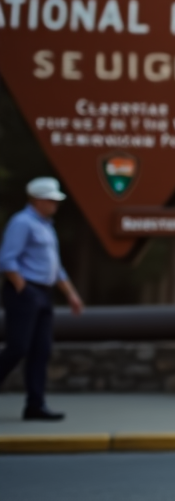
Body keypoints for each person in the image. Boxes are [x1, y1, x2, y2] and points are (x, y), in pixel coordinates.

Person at [0, 177, 85, 421]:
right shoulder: (22, 222)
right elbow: (7, 259)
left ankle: (35, 405)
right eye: (50, 200)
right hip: (26, 292)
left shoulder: (47, 226)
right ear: (37, 200)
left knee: (41, 350)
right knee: (18, 347)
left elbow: (55, 268)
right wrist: (22, 288)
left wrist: (70, 294)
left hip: (44, 292)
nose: (55, 205)